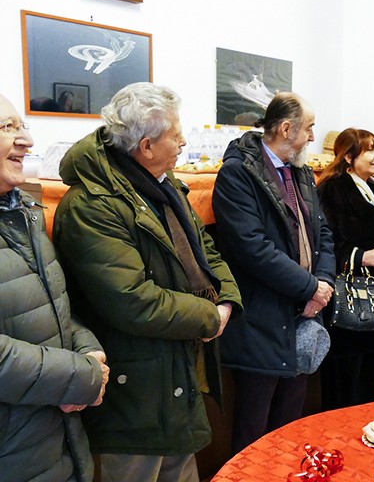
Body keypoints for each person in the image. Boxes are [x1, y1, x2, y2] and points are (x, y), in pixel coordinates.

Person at [52, 82, 242, 482]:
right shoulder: (92, 205)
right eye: (176, 135)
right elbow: (132, 300)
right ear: (146, 146)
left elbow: (205, 249)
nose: (184, 142)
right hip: (134, 394)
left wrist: (226, 300)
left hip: (172, 380)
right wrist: (210, 316)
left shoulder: (163, 186)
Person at [212, 92, 335, 451]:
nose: (313, 136)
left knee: (289, 430)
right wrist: (310, 287)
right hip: (260, 321)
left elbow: (323, 233)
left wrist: (323, 284)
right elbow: (253, 249)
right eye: (309, 128)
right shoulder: (238, 174)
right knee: (254, 434)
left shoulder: (301, 172)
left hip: (302, 313)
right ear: (285, 129)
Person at [0, 93, 109, 481]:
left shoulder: (22, 212)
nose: (26, 140)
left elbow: (54, 306)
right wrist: (81, 376)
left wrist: (89, 350)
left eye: (22, 126)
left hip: (54, 437)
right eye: (7, 127)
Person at [316, 128, 374, 410]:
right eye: (369, 149)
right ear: (347, 156)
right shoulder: (331, 190)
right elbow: (324, 244)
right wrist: (362, 257)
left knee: (370, 382)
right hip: (348, 306)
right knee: (344, 387)